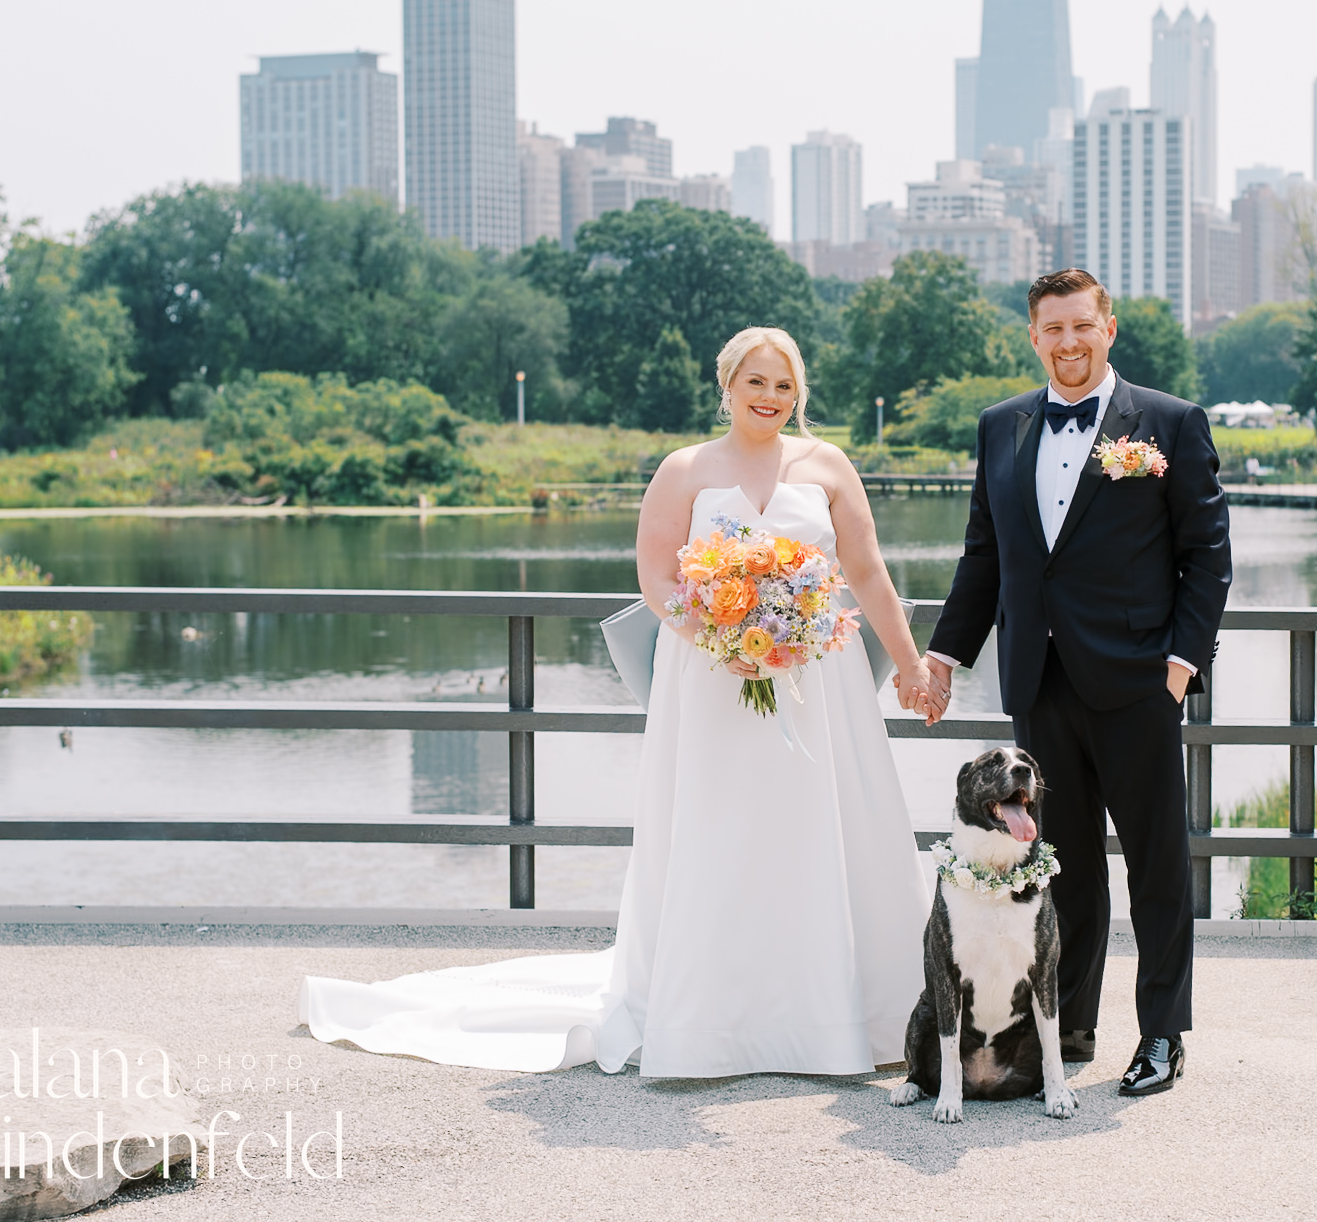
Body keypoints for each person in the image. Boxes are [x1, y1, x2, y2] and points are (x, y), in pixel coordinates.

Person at [298, 327, 940, 1077]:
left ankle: (841, 1012)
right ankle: (712, 1018)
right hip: (711, 679)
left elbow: (864, 569)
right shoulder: (684, 469)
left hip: (816, 685)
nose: (770, 398)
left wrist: (910, 665)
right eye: (756, 382)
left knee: (821, 825)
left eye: (785, 385)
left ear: (800, 393)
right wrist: (723, 630)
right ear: (727, 385)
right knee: (722, 826)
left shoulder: (828, 465)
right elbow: (656, 574)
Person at [920, 269, 1232, 1097]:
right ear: (1033, 337)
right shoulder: (999, 428)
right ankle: (1077, 1024)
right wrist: (945, 656)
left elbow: (1206, 555)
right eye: (1051, 330)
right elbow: (983, 558)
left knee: (1157, 865)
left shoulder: (1168, 422)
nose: (1067, 343)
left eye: (1080, 327)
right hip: (1038, 682)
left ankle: (1163, 1034)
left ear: (1108, 328)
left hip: (1137, 682)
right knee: (1064, 865)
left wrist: (1178, 665)